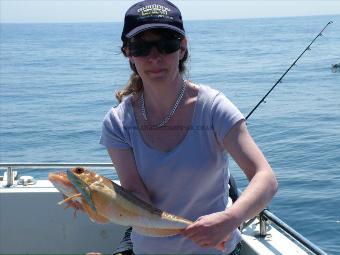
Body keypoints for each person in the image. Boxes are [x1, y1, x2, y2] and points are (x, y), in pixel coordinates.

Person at [99, 0, 278, 254]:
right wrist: (97, 202)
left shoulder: (214, 107)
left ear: (182, 48)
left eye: (166, 44)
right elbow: (136, 196)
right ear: (128, 53)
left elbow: (265, 178)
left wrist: (230, 219)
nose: (155, 57)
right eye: (141, 47)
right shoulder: (117, 122)